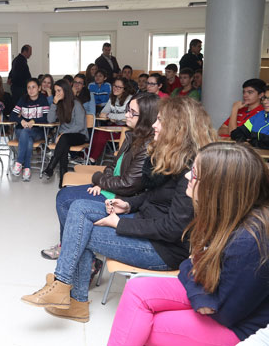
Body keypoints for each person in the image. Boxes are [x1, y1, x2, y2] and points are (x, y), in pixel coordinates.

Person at [21, 97, 217, 323]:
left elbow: (174, 228)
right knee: (78, 207)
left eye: (161, 121)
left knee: (81, 231)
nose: (154, 124)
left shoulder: (192, 170)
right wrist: (128, 205)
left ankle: (70, 293)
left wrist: (120, 223)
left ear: (178, 127)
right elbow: (153, 197)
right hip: (145, 223)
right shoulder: (175, 156)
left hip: (163, 250)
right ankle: (67, 290)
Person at [108, 142, 269, 345]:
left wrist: (197, 287)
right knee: (136, 289)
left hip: (238, 325)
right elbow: (189, 263)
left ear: (217, 186)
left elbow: (228, 314)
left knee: (153, 327)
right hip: (210, 292)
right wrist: (198, 294)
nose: (186, 177)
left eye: (194, 173)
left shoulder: (250, 241)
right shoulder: (225, 214)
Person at [41, 93, 159, 261]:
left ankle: (70, 249)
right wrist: (103, 183)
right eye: (127, 110)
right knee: (64, 195)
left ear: (146, 118)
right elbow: (112, 165)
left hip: (122, 197)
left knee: (65, 199)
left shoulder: (148, 146)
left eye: (132, 112)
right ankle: (73, 248)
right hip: (111, 188)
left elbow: (128, 185)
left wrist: (98, 179)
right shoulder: (133, 136)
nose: (126, 115)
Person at [42, 80, 89, 186]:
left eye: (59, 90)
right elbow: (50, 120)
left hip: (79, 135)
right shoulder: (59, 104)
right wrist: (54, 103)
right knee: (64, 144)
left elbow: (80, 126)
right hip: (65, 138)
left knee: (63, 140)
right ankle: (63, 180)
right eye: (55, 91)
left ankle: (51, 167)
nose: (57, 93)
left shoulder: (76, 104)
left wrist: (63, 134)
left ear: (65, 90)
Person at [10, 78, 49, 181]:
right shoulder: (23, 99)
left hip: (37, 131)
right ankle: (26, 168)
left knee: (26, 133)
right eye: (28, 87)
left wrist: (33, 121)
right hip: (21, 130)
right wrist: (21, 121)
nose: (31, 90)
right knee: (28, 139)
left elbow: (46, 118)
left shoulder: (43, 99)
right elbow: (12, 115)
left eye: (34, 87)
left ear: (39, 88)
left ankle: (19, 163)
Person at [88, 78, 134, 164]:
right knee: (96, 133)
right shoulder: (113, 98)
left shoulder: (130, 100)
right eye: (114, 86)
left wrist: (111, 115)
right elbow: (103, 112)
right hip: (115, 126)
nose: (115, 88)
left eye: (119, 87)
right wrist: (112, 116)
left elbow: (127, 115)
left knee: (102, 134)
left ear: (125, 89)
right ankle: (87, 157)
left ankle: (92, 159)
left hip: (126, 129)